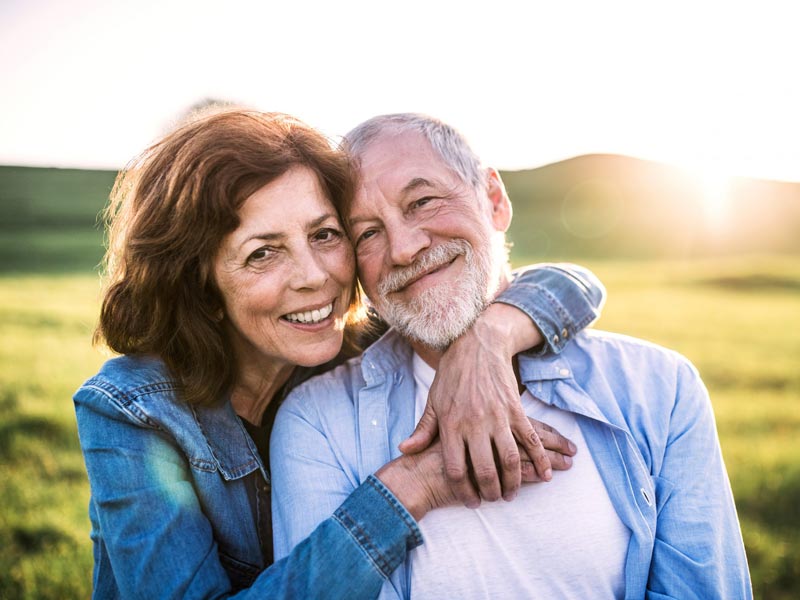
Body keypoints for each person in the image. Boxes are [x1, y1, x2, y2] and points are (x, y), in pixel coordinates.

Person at [73, 109, 604, 598]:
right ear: (199, 284)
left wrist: (486, 340)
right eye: (263, 253)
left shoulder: (361, 345)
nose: (316, 277)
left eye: (326, 234)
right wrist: (409, 486)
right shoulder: (131, 412)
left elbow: (571, 282)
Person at [270, 113, 753, 599]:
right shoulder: (318, 420)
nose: (404, 248)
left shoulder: (660, 388)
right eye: (367, 234)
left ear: (495, 201)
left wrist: (487, 341)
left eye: (422, 202)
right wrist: (415, 483)